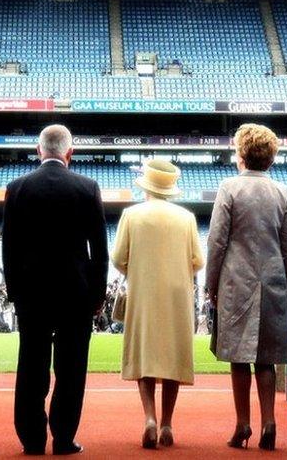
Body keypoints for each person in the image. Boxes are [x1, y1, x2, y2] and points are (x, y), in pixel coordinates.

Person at [1, 124, 108, 456]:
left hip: (32, 294)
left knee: (31, 366)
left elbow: (9, 248)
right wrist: (97, 297)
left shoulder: (16, 188)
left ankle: (32, 438)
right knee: (71, 368)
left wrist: (15, 293)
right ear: (70, 152)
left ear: (38, 150)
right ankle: (63, 438)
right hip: (75, 294)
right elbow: (100, 251)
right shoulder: (87, 188)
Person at [206, 123, 287, 451]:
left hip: (236, 282)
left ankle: (243, 424)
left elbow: (217, 241)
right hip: (273, 282)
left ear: (242, 153)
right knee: (267, 358)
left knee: (238, 356)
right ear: (269, 158)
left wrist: (210, 284)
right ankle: (269, 421)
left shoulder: (229, 188)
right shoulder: (283, 193)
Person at [112, 159, 204, 449]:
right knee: (173, 358)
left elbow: (118, 258)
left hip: (143, 293)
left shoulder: (131, 214)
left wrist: (138, 268)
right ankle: (167, 423)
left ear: (146, 187)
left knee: (145, 356)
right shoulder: (187, 217)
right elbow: (198, 261)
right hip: (177, 295)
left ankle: (149, 418)